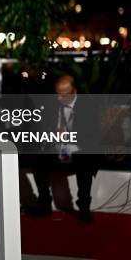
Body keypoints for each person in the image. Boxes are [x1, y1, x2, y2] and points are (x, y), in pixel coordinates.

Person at [28, 75, 100, 222]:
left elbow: (92, 134)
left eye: (64, 94)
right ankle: (44, 203)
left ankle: (84, 207)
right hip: (57, 149)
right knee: (37, 159)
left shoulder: (88, 105)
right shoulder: (52, 104)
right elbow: (41, 126)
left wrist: (69, 135)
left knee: (85, 161)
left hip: (78, 150)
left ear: (74, 91)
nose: (59, 98)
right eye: (57, 93)